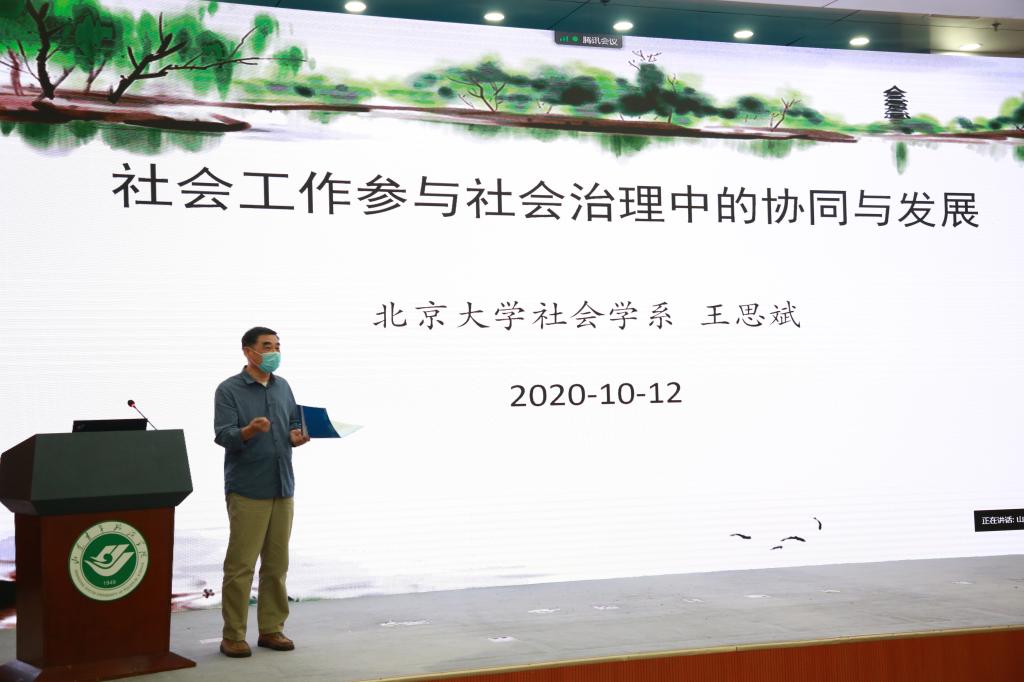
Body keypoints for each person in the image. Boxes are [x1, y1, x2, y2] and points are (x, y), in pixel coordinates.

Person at [214, 326, 310, 658]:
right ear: (248, 351)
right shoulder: (229, 390)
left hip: (282, 485)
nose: (274, 352)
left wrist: (296, 436)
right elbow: (224, 435)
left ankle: (272, 629)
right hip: (248, 487)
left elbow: (293, 424)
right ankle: (233, 635)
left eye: (278, 346)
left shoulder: (283, 387)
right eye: (267, 346)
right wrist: (249, 431)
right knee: (241, 566)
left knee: (276, 564)